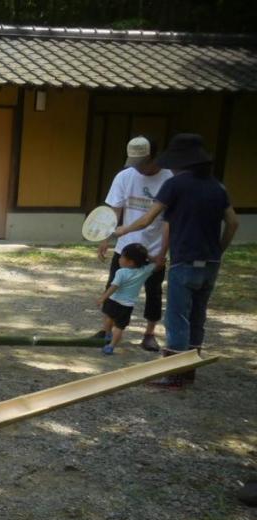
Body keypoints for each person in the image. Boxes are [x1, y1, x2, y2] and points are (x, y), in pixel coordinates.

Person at [113, 133, 239, 389]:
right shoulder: (217, 186)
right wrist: (219, 250)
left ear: (180, 162)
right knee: (197, 315)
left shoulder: (175, 184)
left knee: (177, 316)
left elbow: (149, 219)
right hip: (211, 261)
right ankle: (189, 368)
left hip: (185, 259)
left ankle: (174, 374)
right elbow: (233, 223)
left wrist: (121, 231)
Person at [96, 136, 172, 352]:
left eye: (143, 163)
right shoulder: (125, 176)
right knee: (113, 285)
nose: (139, 169)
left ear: (155, 157)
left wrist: (162, 254)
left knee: (153, 292)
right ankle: (106, 330)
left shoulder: (169, 179)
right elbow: (115, 209)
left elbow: (169, 221)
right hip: (126, 247)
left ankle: (149, 334)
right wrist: (106, 237)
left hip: (154, 247)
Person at [96, 243, 154, 355]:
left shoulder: (121, 272)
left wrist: (103, 298)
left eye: (122, 257)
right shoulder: (145, 271)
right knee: (119, 327)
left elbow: (113, 287)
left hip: (113, 301)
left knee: (108, 317)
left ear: (130, 262)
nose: (120, 259)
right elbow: (155, 263)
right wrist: (146, 256)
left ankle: (108, 334)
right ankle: (111, 346)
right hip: (127, 305)